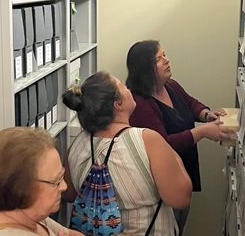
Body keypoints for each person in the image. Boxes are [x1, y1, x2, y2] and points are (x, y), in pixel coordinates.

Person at [126, 40, 235, 235]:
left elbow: (191, 104)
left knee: (179, 226)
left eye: (165, 55)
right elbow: (162, 145)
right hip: (160, 186)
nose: (167, 61)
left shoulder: (171, 86)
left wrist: (206, 114)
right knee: (168, 227)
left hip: (181, 174)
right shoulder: (140, 103)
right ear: (145, 69)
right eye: (159, 59)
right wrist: (201, 133)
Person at [62, 71, 192, 235]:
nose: (128, 89)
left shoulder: (76, 145)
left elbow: (68, 194)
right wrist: (175, 158)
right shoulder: (147, 140)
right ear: (118, 104)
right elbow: (180, 198)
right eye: (123, 86)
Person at [0, 127, 83, 236]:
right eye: (56, 181)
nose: (64, 186)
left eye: (62, 176)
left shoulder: (28, 215)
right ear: (21, 188)